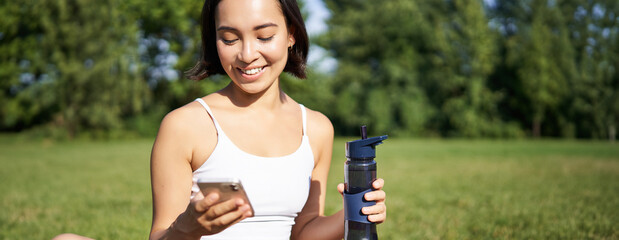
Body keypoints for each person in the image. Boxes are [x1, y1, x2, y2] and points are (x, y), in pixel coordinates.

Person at [149, 0, 387, 239]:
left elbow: (303, 232)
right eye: (230, 39)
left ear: (291, 35)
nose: (247, 54)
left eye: (264, 36)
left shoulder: (316, 128)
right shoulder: (185, 125)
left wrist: (354, 211)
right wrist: (186, 227)